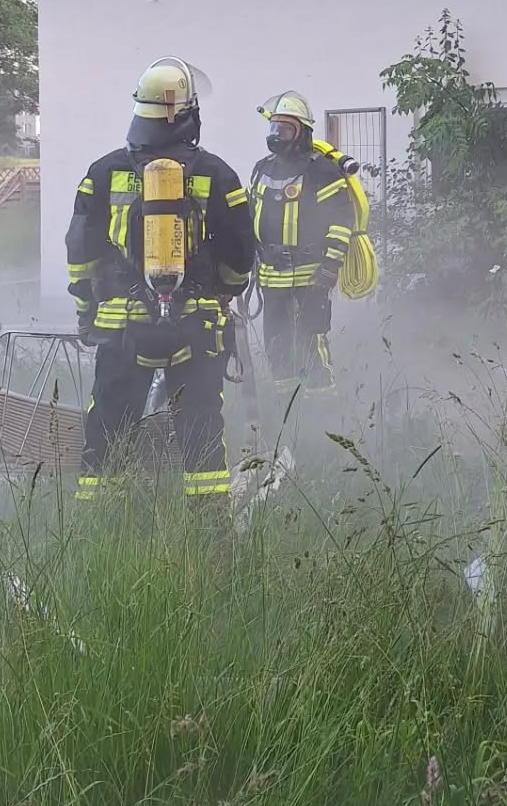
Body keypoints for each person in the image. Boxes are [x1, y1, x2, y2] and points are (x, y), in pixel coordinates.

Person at [65, 57, 256, 504]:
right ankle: (209, 526)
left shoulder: (102, 172)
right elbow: (241, 254)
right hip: (196, 326)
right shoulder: (218, 174)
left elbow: (80, 249)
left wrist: (87, 310)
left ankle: (99, 520)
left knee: (108, 425)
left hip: (120, 326)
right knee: (201, 426)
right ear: (187, 113)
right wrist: (225, 292)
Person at [247, 91, 353, 395]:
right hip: (270, 276)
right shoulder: (261, 169)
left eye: (285, 129)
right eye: (274, 128)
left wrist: (330, 268)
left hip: (311, 275)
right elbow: (249, 216)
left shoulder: (322, 171)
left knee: (311, 341)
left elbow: (341, 221)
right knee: (275, 344)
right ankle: (286, 411)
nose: (277, 135)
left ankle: (323, 408)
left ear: (302, 133)